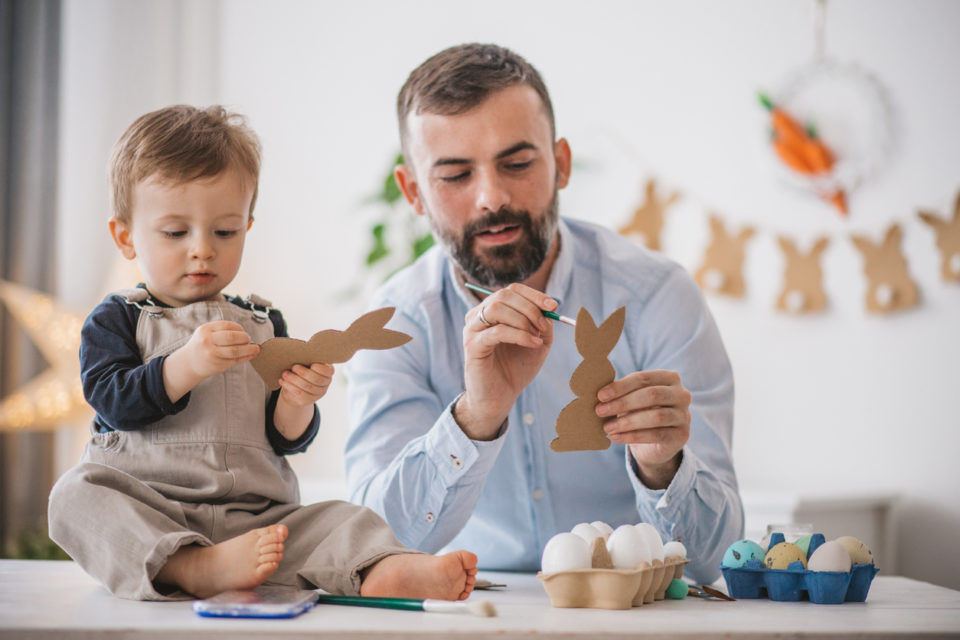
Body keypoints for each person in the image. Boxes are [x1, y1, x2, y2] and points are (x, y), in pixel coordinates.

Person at [344, 44, 743, 584]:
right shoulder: (396, 324)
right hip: (467, 616)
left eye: (517, 163)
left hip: (630, 618)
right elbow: (373, 543)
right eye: (456, 175)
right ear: (413, 192)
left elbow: (714, 562)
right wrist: (476, 417)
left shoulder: (657, 298)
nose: (492, 196)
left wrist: (662, 468)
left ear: (562, 164)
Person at [48, 105, 478, 601]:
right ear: (126, 236)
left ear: (247, 226)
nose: (202, 250)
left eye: (224, 232)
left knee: (343, 517)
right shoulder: (118, 318)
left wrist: (298, 401)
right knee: (74, 497)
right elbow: (111, 402)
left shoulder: (262, 322)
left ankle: (380, 571)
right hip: (152, 510)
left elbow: (284, 439)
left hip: (257, 522)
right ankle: (189, 565)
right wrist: (185, 365)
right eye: (175, 232)